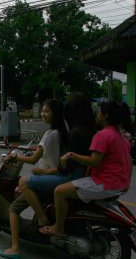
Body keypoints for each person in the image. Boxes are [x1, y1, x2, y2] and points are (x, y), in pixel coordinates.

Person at [40, 101, 132, 237]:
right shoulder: (121, 137)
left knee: (59, 191)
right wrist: (126, 183)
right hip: (119, 184)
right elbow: (129, 162)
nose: (96, 114)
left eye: (99, 112)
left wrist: (71, 155)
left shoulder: (102, 136)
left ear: (105, 116)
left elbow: (94, 161)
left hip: (104, 183)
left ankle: (58, 228)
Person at [0, 99, 67, 259]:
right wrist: (24, 148)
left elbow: (34, 158)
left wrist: (16, 156)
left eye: (47, 111)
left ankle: (15, 248)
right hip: (54, 175)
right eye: (42, 110)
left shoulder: (50, 134)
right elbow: (42, 149)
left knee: (13, 209)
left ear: (55, 113)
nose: (43, 114)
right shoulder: (62, 132)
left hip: (45, 178)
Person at [17, 93, 96, 234]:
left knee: (23, 182)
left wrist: (46, 172)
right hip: (82, 175)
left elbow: (68, 167)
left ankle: (46, 221)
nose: (43, 114)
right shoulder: (89, 130)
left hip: (72, 177)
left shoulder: (75, 133)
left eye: (46, 111)